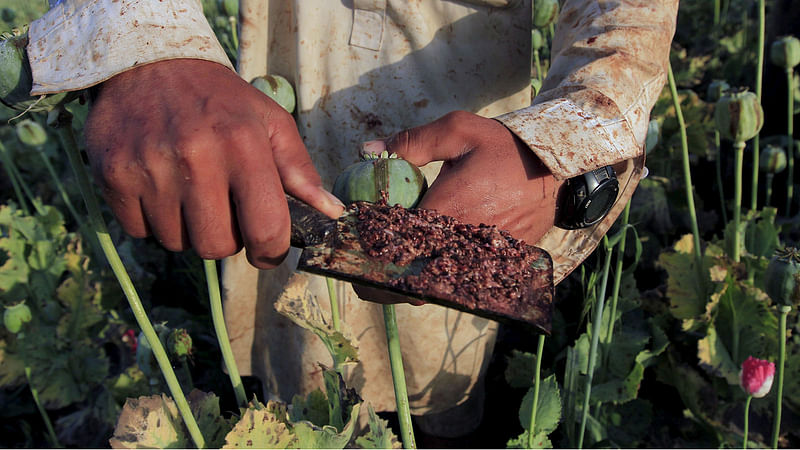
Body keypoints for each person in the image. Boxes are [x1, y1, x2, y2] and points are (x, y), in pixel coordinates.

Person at [27, 0, 678, 438]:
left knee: (436, 387)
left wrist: (560, 141)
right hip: (269, 103)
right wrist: (141, 40)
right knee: (295, 368)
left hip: (465, 137)